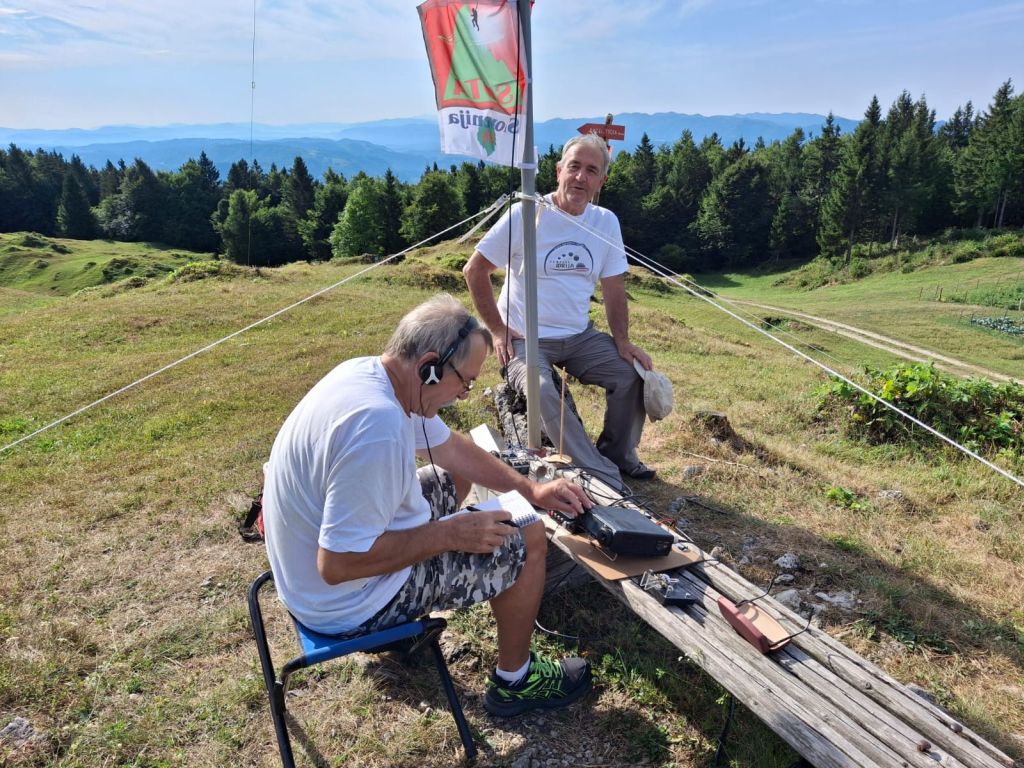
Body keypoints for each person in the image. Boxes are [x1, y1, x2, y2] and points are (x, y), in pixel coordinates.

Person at [262, 294, 593, 717]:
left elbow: (453, 449)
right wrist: (447, 534)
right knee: (526, 534)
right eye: (464, 382)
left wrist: (532, 490)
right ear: (431, 366)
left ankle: (408, 629)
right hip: (344, 604)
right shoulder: (376, 426)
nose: (462, 395)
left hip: (304, 580)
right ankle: (516, 681)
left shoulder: (373, 375)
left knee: (456, 476)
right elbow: (338, 563)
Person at [464, 132, 655, 486]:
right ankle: (598, 474)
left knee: (630, 375)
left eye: (591, 170)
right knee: (542, 390)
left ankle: (618, 456)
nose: (581, 177)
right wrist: (498, 329)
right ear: (558, 171)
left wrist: (623, 342)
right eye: (574, 167)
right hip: (525, 338)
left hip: (578, 335)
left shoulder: (605, 222)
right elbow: (474, 270)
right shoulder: (526, 215)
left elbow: (613, 287)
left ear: (602, 180)